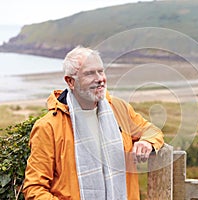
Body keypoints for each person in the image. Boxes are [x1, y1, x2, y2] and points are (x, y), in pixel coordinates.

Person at [23, 46, 164, 200]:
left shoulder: (119, 109)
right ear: (70, 81)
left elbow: (152, 131)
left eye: (101, 71)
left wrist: (146, 142)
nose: (100, 79)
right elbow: (34, 188)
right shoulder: (48, 127)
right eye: (90, 73)